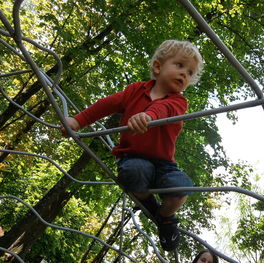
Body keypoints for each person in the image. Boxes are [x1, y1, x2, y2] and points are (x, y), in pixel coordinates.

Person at [61, 40, 203, 251]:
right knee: (133, 171)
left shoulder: (179, 101)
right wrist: (78, 121)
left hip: (164, 164)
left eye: (190, 72)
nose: (185, 74)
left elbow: (164, 109)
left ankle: (165, 217)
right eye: (180, 65)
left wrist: (148, 115)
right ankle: (149, 204)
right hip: (133, 157)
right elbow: (106, 104)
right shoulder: (135, 90)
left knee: (182, 187)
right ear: (158, 67)